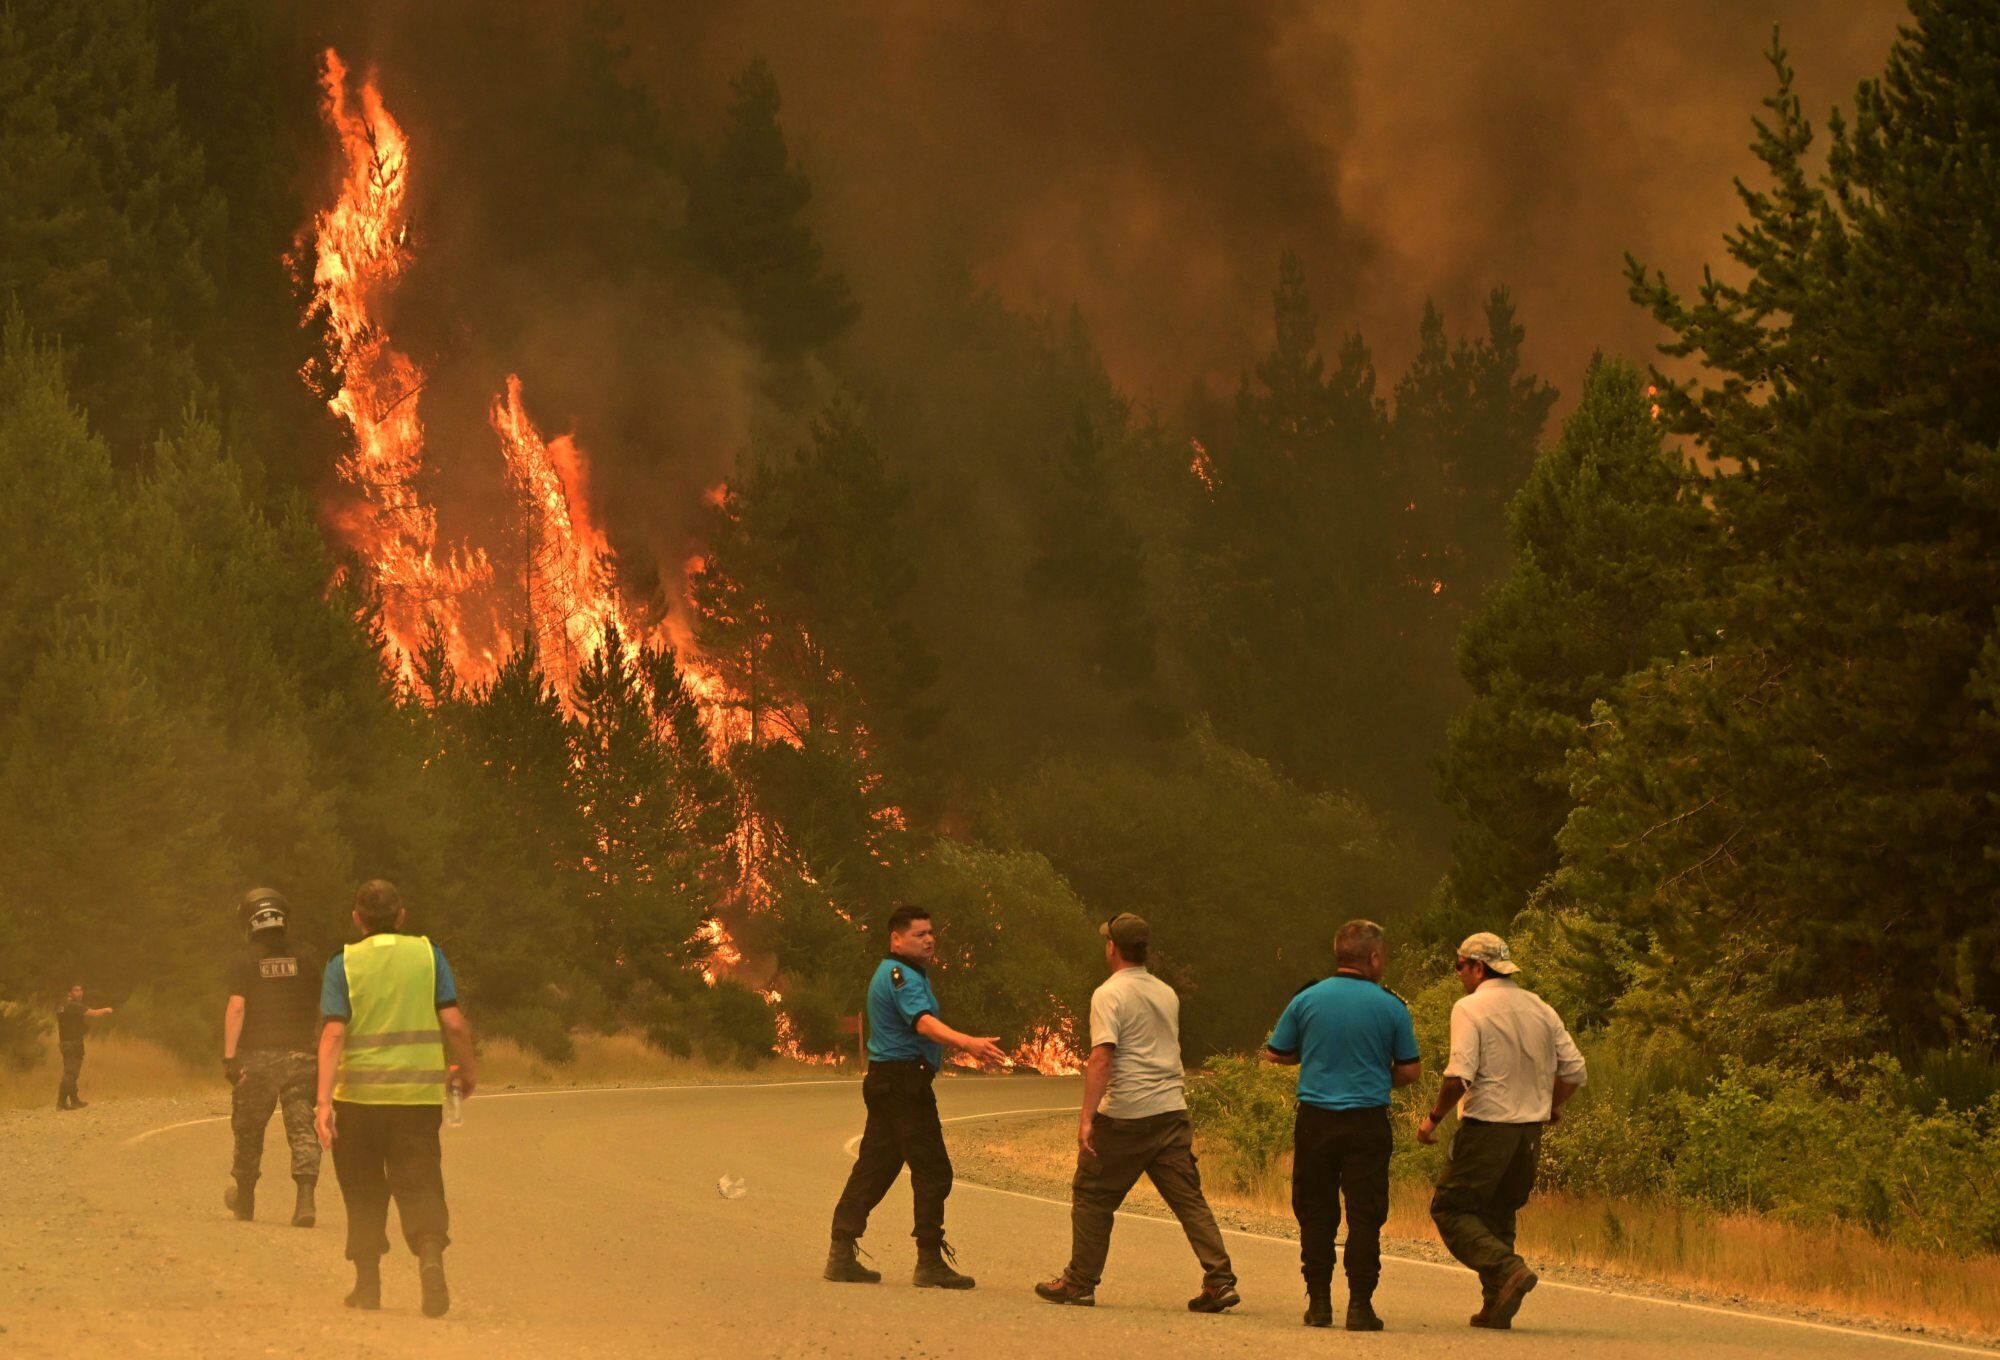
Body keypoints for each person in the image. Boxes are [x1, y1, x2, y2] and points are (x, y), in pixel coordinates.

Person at [1035, 913, 1239, 1314]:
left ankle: (1079, 1282)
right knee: (1188, 1201)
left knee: (1093, 1195)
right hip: (1171, 1111)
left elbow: (1101, 1059)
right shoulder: (1166, 992)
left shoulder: (1109, 994)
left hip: (1127, 1115)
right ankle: (1219, 1280)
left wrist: (1087, 1119)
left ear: (1112, 947)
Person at [825, 903, 1008, 1290]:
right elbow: (922, 1023)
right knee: (933, 1170)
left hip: (889, 1081)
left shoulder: (903, 973)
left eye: (930, 932)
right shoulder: (899, 975)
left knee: (875, 1168)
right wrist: (968, 1043)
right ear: (896, 938)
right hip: (902, 1084)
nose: (929, 940)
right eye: (919, 934)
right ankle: (929, 1262)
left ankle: (840, 1252)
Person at [315, 880, 476, 1318]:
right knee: (420, 1180)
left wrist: (323, 1103)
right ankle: (430, 1259)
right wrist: (467, 1071)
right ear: (401, 915)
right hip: (415, 1100)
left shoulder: (342, 963)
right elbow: (455, 1024)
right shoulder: (429, 954)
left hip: (358, 1101)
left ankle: (368, 1287)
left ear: (357, 918)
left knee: (363, 1190)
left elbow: (333, 1033)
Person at [1416, 931, 1586, 1330]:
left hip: (1488, 1127)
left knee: (1451, 1208)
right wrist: (1550, 1105)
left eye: (1460, 966)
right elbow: (1576, 1069)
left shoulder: (1470, 1008)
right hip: (1528, 1134)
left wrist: (1432, 1119)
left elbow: (1459, 1076)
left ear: (1477, 966)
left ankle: (1507, 1268)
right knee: (1499, 1212)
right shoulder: (1539, 1007)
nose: (1458, 974)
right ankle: (1497, 1305)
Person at [1263, 919, 1421, 1330]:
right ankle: (1360, 1306)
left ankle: (1318, 1304)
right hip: (1367, 1120)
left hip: (1315, 1120)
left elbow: (1277, 1053)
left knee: (1316, 1213)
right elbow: (1410, 1070)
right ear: (1372, 957)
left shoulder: (1307, 999)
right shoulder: (1391, 1006)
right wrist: (1375, 1073)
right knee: (1365, 1214)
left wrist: (1314, 1056)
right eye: (1383, 956)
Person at [223, 888, 323, 1227]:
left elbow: (237, 1007)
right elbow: (321, 1009)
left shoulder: (243, 960)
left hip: (257, 1058)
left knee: (249, 1129)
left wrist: (229, 1058)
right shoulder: (306, 958)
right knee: (302, 1127)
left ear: (250, 921)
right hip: (301, 1057)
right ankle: (305, 1199)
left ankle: (246, 1199)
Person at [54, 984, 112, 1110]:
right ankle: (61, 1102)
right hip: (73, 1043)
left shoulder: (61, 1006)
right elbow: (93, 1013)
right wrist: (107, 1010)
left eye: (81, 990)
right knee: (71, 1073)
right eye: (76, 990)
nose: (80, 993)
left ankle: (74, 1100)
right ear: (70, 992)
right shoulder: (73, 1006)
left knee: (71, 1073)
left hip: (65, 1042)